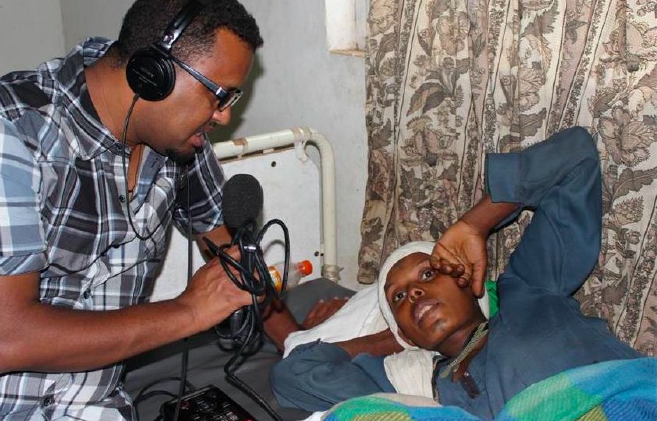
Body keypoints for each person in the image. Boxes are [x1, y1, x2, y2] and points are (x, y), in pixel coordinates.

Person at [0, 0, 264, 419]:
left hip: (96, 406)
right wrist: (188, 312)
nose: (223, 116)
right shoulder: (14, 131)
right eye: (220, 96)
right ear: (153, 74)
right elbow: (5, 337)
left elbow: (231, 259)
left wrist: (297, 338)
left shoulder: (179, 142)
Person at [271, 127, 644, 417]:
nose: (413, 293)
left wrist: (476, 223)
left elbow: (576, 155)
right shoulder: (420, 384)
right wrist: (394, 339)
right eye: (398, 298)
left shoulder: (531, 290)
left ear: (467, 279)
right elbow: (294, 373)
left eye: (428, 274)